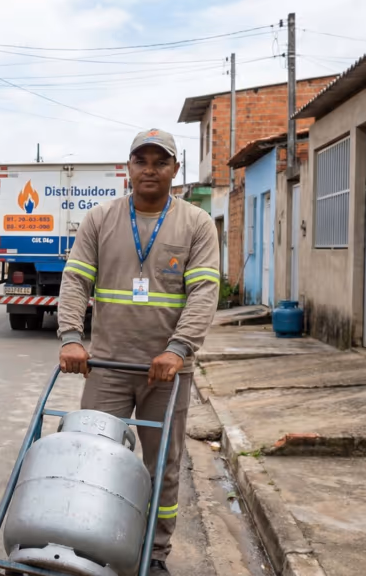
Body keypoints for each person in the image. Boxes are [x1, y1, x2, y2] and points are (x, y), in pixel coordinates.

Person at [57, 128, 218, 575]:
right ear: (127, 167)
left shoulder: (195, 223)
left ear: (174, 170)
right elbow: (75, 281)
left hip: (165, 373)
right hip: (107, 366)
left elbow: (204, 291)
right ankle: (85, 544)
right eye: (141, 160)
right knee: (90, 455)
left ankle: (156, 552)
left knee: (162, 465)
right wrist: (71, 336)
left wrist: (179, 349)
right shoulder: (101, 219)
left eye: (160, 161)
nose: (150, 169)